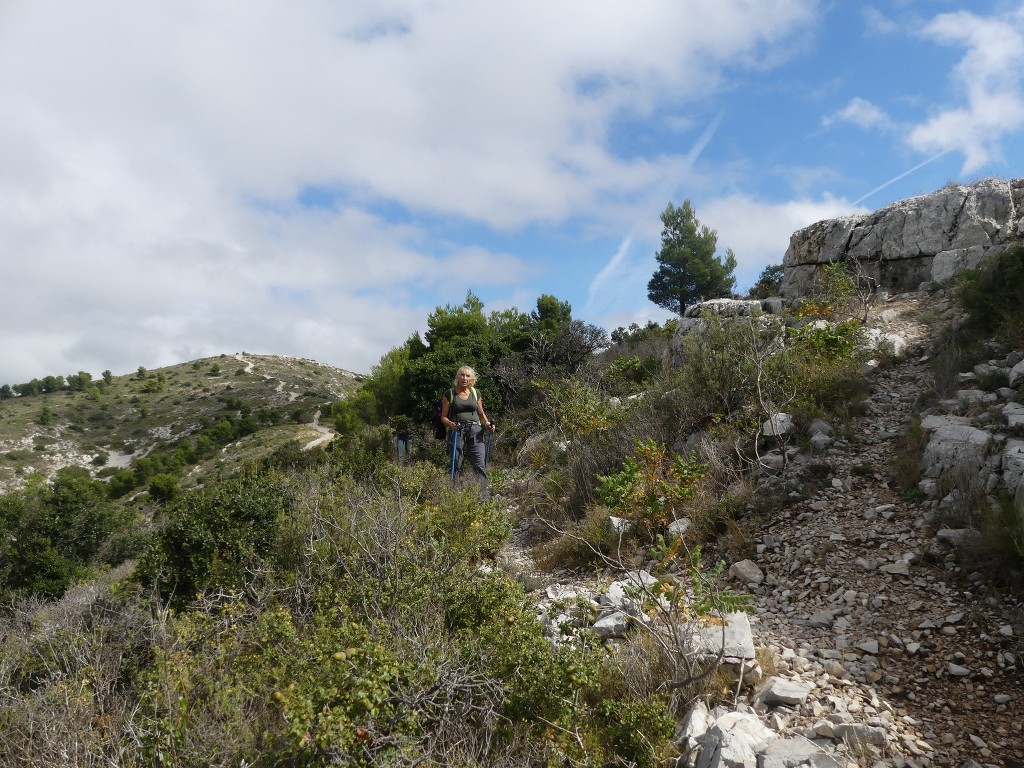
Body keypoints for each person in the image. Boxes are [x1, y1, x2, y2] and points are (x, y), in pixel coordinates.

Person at [439, 365, 496, 484]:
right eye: (462, 375)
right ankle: (455, 494)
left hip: (475, 430)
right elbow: (443, 417)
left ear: (472, 379)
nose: (464, 378)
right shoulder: (449, 393)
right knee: (456, 463)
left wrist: (488, 424)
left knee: (479, 463)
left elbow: (481, 414)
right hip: (457, 430)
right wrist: (451, 424)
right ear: (458, 377)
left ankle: (483, 498)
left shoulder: (476, 393)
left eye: (468, 376)